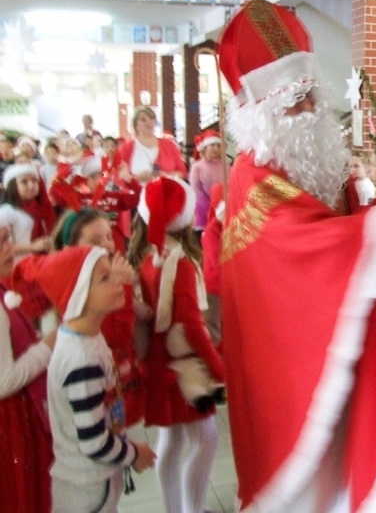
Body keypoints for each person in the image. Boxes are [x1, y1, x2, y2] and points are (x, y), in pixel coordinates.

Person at [216, 0, 376, 512]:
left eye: (311, 94)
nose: (310, 111)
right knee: (302, 483)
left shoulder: (321, 167)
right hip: (286, 367)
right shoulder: (253, 176)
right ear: (258, 113)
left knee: (336, 472)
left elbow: (346, 224)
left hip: (332, 344)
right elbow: (303, 247)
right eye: (292, 101)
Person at [13, 245, 156, 512]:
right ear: (78, 296)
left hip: (94, 480)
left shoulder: (87, 336)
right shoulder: (82, 361)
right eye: (105, 278)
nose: (117, 282)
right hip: (87, 489)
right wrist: (134, 454)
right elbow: (93, 442)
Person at [129, 176, 225, 513]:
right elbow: (192, 326)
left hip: (156, 363)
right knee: (205, 440)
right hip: (182, 368)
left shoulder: (144, 257)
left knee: (170, 440)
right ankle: (193, 510)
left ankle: (175, 509)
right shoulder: (182, 264)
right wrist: (218, 368)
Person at [52, 208, 147, 427]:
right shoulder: (80, 291)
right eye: (95, 241)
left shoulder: (97, 280)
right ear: (71, 251)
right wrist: (121, 287)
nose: (107, 246)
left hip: (117, 379)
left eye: (108, 237)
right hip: (99, 388)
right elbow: (119, 335)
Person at [0, 209, 56, 513]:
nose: (10, 249)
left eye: (7, 239)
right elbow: (3, 381)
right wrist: (46, 346)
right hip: (11, 424)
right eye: (0, 245)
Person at [0, 163, 56, 322]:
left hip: (35, 267)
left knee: (41, 314)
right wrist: (32, 246)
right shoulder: (6, 212)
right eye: (24, 182)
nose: (31, 186)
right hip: (16, 271)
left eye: (34, 181)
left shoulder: (39, 209)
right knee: (23, 314)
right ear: (12, 185)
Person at [117, 106, 188, 183]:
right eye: (143, 120)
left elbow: (182, 172)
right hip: (138, 192)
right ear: (136, 125)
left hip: (165, 192)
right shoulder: (126, 148)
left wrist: (166, 175)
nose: (149, 122)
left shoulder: (169, 145)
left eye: (151, 119)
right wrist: (136, 179)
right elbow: (119, 176)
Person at [188, 129, 227, 240]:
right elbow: (196, 189)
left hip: (221, 204)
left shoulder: (225, 165)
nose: (216, 148)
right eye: (213, 145)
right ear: (204, 148)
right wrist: (208, 203)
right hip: (203, 206)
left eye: (219, 145)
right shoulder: (197, 167)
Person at [200, 182, 224, 347]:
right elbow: (217, 262)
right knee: (214, 332)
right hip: (214, 290)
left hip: (227, 289)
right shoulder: (211, 231)